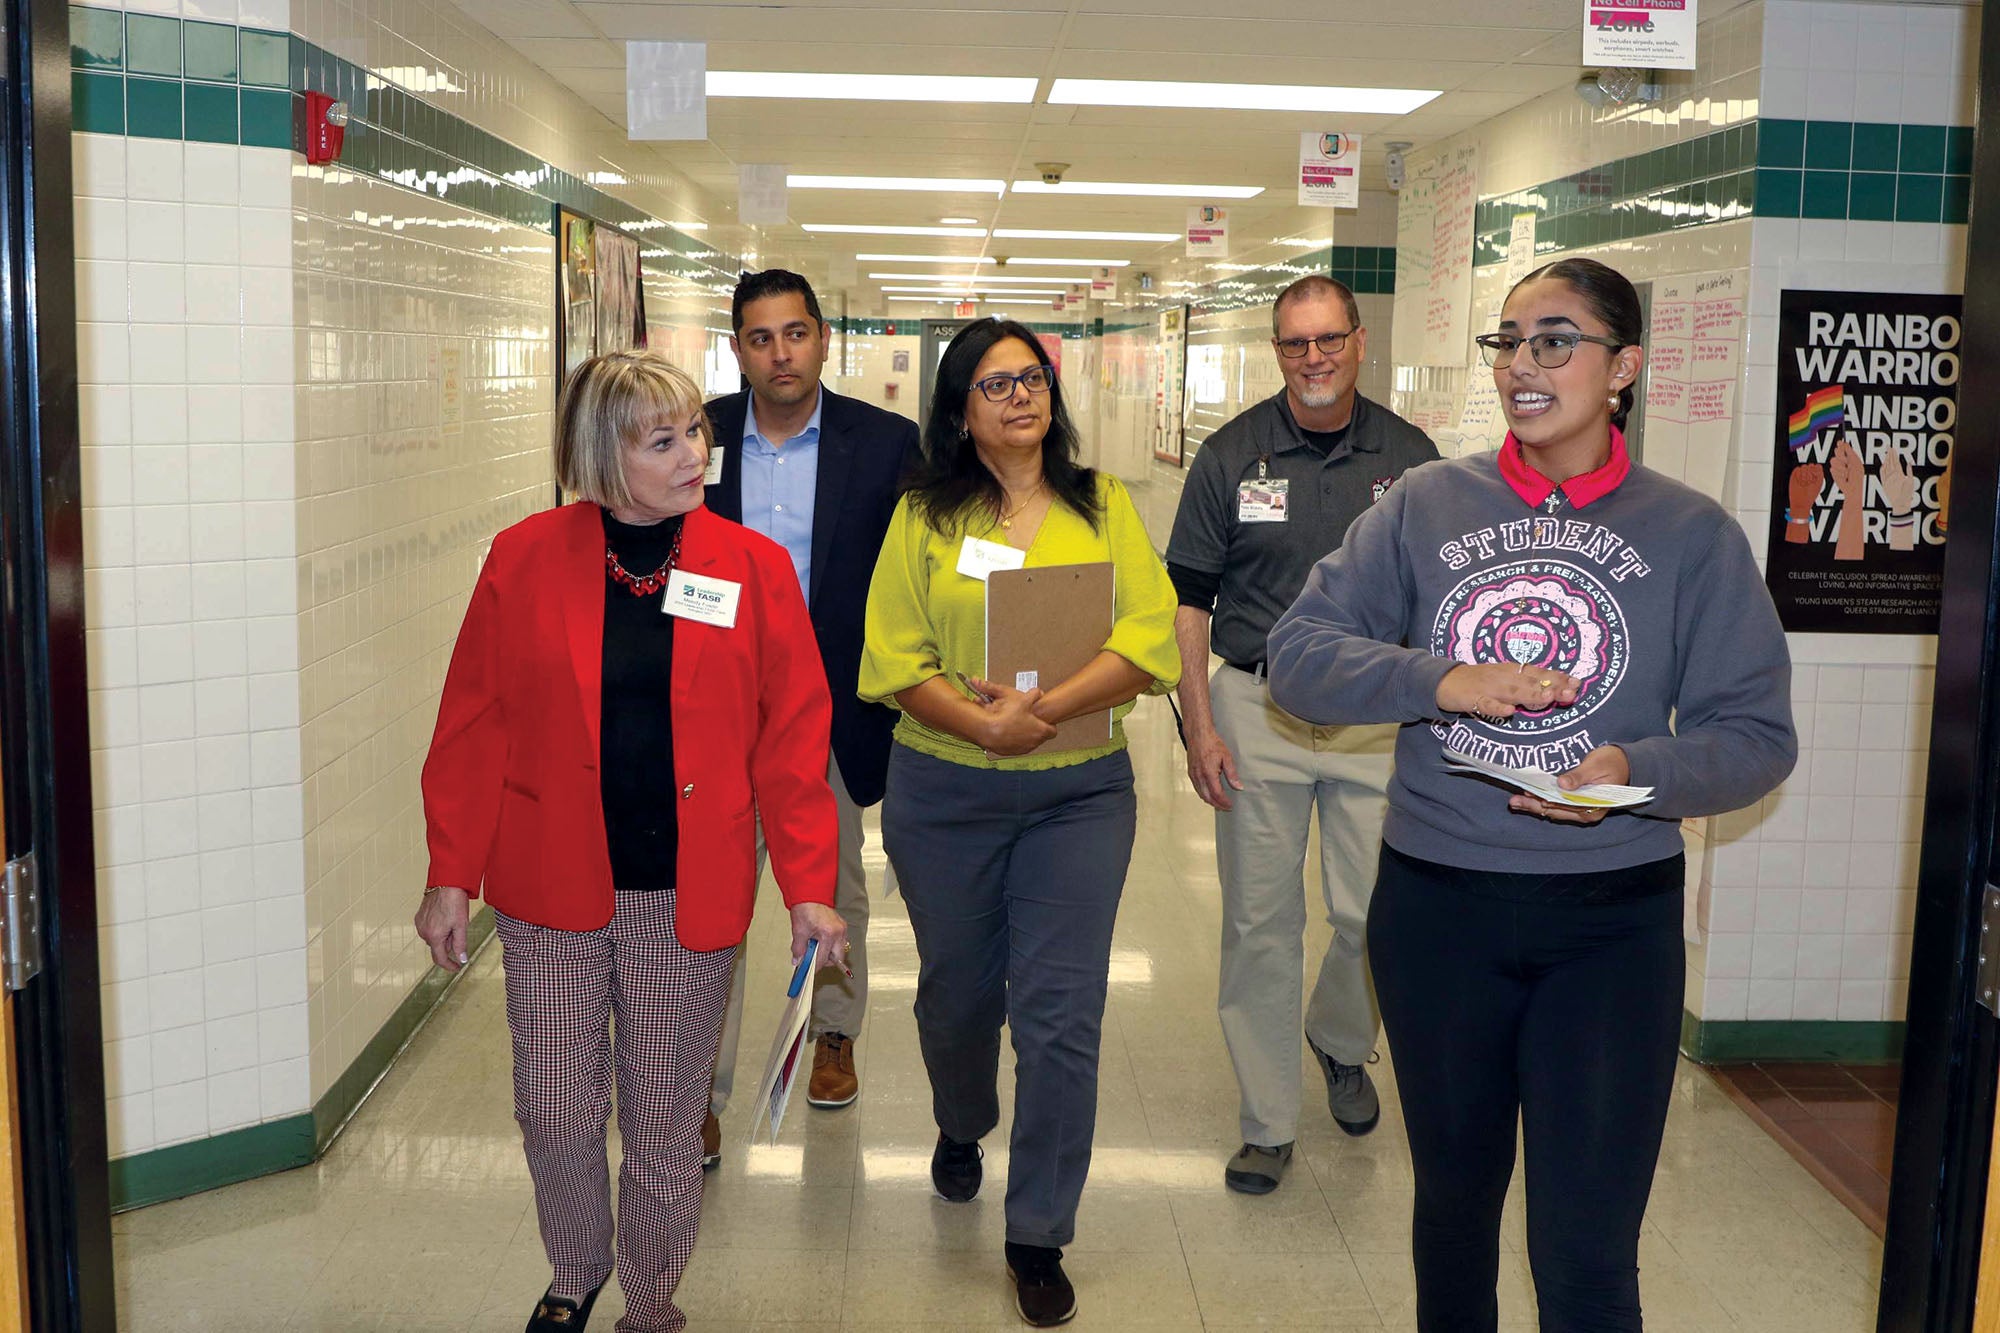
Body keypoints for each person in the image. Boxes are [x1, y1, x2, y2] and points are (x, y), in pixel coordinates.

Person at [1267, 257, 1797, 1331]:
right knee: (1453, 1217)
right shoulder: (1423, 503)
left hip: (1610, 925)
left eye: (1554, 340)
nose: (1521, 365)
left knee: (1587, 1249)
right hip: (1436, 913)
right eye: (1507, 342)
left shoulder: (1691, 535)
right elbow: (1296, 656)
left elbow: (1755, 737)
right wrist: (1434, 679)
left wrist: (1634, 772)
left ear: (1624, 369)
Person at [414, 350, 846, 1333]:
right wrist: (450, 870)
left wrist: (809, 889)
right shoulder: (523, 557)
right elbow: (472, 721)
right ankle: (576, 1270)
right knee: (553, 1109)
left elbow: (790, 736)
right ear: (604, 453)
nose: (695, 451)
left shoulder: (749, 567)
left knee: (661, 1128)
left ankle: (649, 1303)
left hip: (684, 895)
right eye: (665, 438)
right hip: (550, 886)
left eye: (694, 429)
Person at [859, 318, 1178, 1327]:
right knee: (957, 996)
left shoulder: (1104, 505)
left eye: (1030, 379)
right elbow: (895, 656)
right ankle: (962, 1122)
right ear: (959, 409)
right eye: (993, 385)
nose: (1018, 397)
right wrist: (981, 727)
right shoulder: (922, 515)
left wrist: (1037, 713)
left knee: (1060, 1014)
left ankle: (1037, 1229)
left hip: (1078, 792)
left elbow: (1147, 632)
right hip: (944, 791)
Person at [1164, 274, 1438, 1194]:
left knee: (1374, 912)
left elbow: (1440, 603)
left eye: (1328, 340)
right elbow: (1190, 600)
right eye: (1294, 344)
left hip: (1371, 715)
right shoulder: (1233, 455)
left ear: (1360, 342)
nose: (1313, 359)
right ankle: (1268, 1119)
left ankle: (1339, 1038)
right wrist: (1198, 724)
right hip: (1258, 707)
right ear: (1276, 351)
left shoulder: (1413, 459)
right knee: (1259, 922)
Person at [703, 269, 921, 1161]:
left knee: (832, 885)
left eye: (795, 333)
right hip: (715, 704)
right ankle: (696, 1081)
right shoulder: (698, 433)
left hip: (827, 701)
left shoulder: (884, 442)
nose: (780, 353)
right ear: (738, 349)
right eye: (761, 337)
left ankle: (834, 1033)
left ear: (824, 339)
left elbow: (919, 565)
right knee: (708, 899)